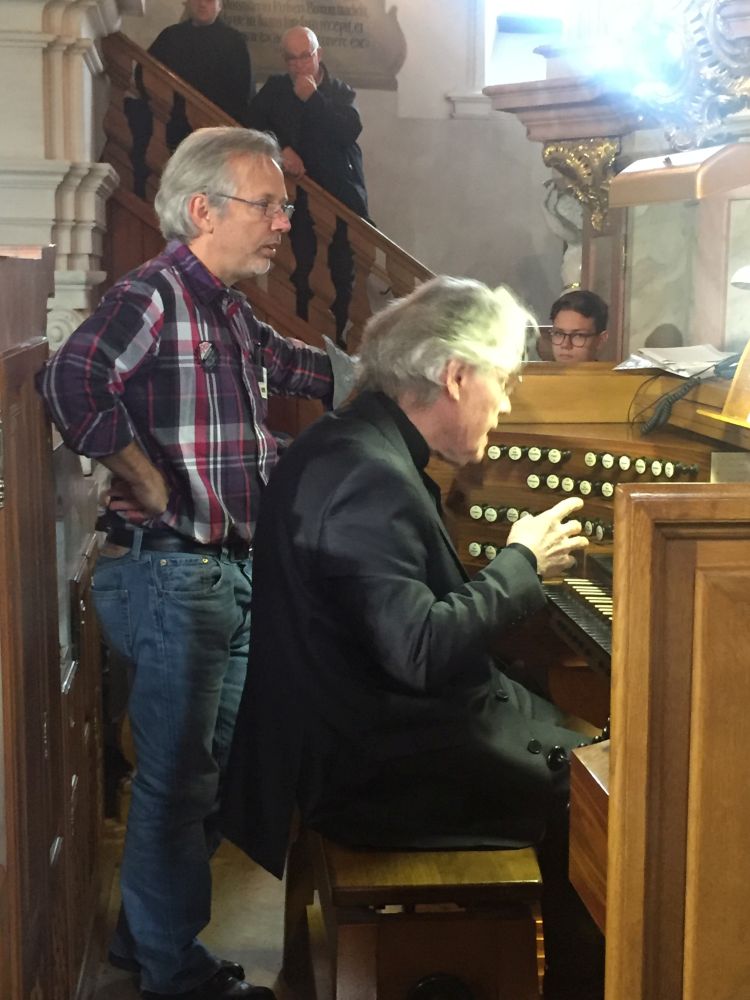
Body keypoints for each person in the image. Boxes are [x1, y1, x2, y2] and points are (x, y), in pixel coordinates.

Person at [221, 276, 605, 1000]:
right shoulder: (369, 476)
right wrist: (520, 564)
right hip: (376, 771)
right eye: (504, 382)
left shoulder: (348, 443)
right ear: (456, 376)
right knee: (596, 797)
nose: (507, 404)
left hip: (351, 735)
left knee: (571, 731)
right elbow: (419, 649)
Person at [37, 126, 353, 1000]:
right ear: (205, 209)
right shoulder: (155, 294)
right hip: (171, 572)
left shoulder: (228, 309)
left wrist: (409, 370)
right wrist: (143, 475)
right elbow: (70, 381)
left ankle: (145, 941)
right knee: (177, 785)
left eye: (286, 208)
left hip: (224, 574)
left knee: (209, 775)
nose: (284, 223)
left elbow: (308, 368)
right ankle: (174, 973)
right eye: (269, 205)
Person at [247, 25, 371, 344]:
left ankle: (338, 344)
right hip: (294, 203)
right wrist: (280, 149)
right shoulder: (276, 89)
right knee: (299, 273)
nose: (299, 65)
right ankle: (299, 342)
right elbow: (251, 124)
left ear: (319, 55)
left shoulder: (340, 92)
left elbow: (348, 131)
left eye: (305, 56)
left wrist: (313, 99)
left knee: (340, 277)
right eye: (292, 59)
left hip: (337, 202)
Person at [543, 288, 609, 363]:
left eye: (578, 335)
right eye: (559, 334)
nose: (565, 345)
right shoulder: (536, 370)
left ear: (600, 340)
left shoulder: (611, 371)